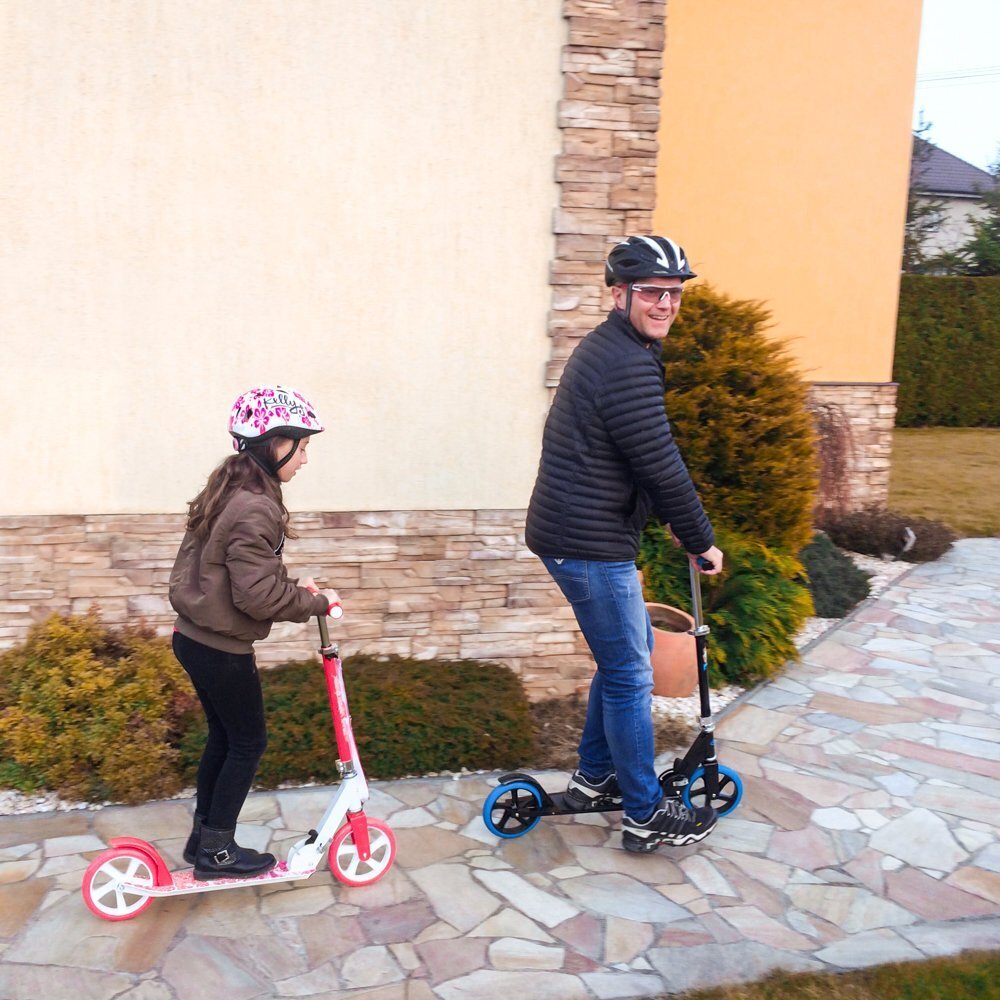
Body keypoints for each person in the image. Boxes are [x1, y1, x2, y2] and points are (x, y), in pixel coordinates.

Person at [525, 235, 725, 854]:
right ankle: (642, 811)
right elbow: (660, 464)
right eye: (652, 293)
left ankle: (593, 779)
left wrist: (661, 518)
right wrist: (700, 539)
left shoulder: (617, 348)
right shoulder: (625, 361)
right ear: (619, 295)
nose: (666, 303)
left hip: (580, 531)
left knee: (625, 653)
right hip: (585, 541)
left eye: (674, 292)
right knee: (631, 673)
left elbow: (623, 456)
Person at [169, 385, 340, 880]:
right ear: (273, 444)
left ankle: (204, 840)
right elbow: (257, 597)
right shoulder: (256, 505)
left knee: (224, 739)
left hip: (195, 637)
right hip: (219, 648)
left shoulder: (230, 487)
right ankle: (217, 853)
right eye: (302, 446)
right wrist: (316, 602)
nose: (305, 459)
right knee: (247, 742)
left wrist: (292, 585)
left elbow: (238, 573)